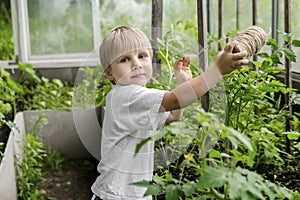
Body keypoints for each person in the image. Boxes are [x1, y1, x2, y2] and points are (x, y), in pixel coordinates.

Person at [91, 25, 248, 200]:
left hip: (127, 192)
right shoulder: (127, 96)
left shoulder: (136, 98)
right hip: (117, 195)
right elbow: (174, 100)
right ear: (110, 73)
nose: (136, 64)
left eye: (142, 56)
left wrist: (182, 83)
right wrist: (217, 69)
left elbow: (173, 117)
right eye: (124, 60)